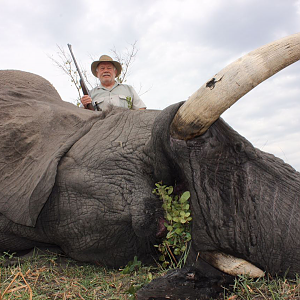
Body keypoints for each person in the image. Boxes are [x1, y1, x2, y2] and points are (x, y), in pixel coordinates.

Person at [80, 55, 146, 111]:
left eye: (109, 68)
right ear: (97, 73)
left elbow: (141, 110)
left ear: (115, 72)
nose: (106, 71)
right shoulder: (90, 94)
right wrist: (85, 106)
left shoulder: (129, 89)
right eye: (102, 68)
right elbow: (82, 117)